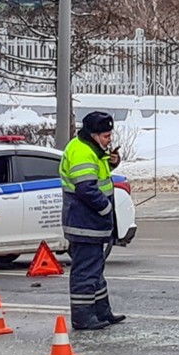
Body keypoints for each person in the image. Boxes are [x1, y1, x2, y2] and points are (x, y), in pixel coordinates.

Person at [60, 110, 126, 331]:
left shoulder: (90, 148)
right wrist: (106, 209)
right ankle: (83, 317)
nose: (109, 140)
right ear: (94, 134)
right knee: (86, 272)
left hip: (90, 223)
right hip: (84, 222)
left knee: (95, 271)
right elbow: (86, 188)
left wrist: (112, 161)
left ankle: (101, 311)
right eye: (106, 136)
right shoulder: (81, 152)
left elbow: (98, 173)